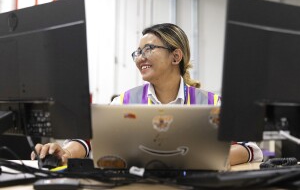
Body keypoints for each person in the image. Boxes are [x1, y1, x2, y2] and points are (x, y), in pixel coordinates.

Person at [31, 23, 263, 166]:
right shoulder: (123, 102)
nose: (140, 57)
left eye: (149, 49)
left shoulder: (212, 103)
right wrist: (66, 153)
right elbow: (89, 141)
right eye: (137, 52)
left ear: (176, 56)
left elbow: (252, 148)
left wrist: (209, 159)